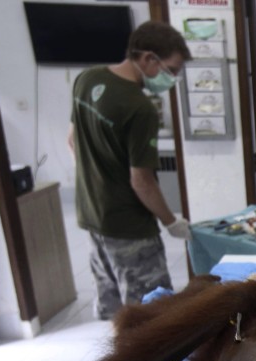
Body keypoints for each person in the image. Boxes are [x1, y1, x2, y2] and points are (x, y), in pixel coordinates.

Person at [68, 20, 192, 320]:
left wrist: (99, 179)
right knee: (153, 318)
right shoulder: (140, 107)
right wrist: (170, 221)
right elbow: (142, 182)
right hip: (129, 228)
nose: (172, 79)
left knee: (114, 312)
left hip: (93, 218)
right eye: (171, 70)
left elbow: (72, 141)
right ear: (149, 58)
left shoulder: (87, 78)